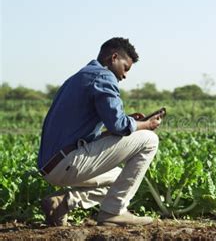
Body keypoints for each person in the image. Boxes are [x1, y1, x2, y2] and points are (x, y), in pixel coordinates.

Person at [38, 37, 161, 226]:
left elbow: (105, 131)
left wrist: (128, 121)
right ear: (114, 58)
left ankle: (62, 203)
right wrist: (146, 124)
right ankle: (114, 212)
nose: (125, 75)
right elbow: (119, 126)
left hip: (53, 164)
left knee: (120, 179)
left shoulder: (80, 76)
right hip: (67, 162)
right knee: (149, 139)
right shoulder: (104, 76)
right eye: (125, 67)